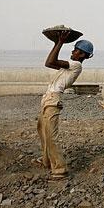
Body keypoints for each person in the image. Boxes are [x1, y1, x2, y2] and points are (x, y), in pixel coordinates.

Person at [35, 32, 93, 180]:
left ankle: (60, 170)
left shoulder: (76, 65)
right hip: (48, 98)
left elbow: (53, 59)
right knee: (42, 130)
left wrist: (60, 42)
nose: (72, 52)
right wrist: (56, 43)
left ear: (82, 54)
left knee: (52, 136)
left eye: (75, 50)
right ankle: (48, 160)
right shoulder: (67, 68)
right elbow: (48, 63)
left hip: (53, 100)